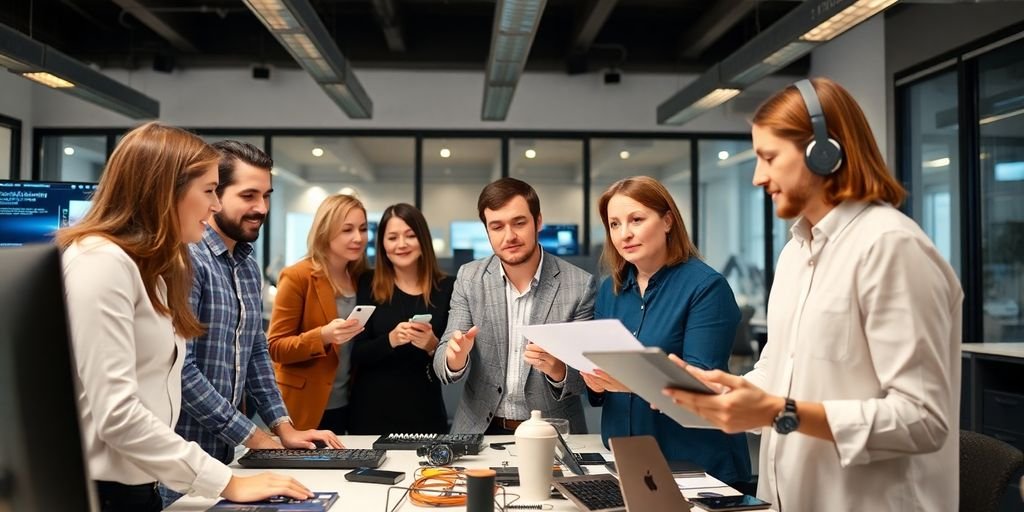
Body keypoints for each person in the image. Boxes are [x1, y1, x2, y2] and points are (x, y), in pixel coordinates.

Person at [663, 78, 963, 511]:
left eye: (768, 157)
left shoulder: (890, 247)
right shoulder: (795, 255)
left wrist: (778, 412)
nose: (757, 176)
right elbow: (778, 372)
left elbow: (923, 420)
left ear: (825, 152)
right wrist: (723, 392)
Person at [58, 122, 312, 512]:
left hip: (146, 481)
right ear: (165, 190)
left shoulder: (153, 271)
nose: (213, 206)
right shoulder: (100, 262)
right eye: (209, 191)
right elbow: (118, 415)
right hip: (104, 490)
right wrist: (227, 481)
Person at [161, 141, 341, 505]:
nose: (261, 208)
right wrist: (253, 436)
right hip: (182, 462)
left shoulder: (245, 264)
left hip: (230, 458)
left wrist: (282, 427)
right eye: (248, 195)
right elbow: (181, 369)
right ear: (215, 195)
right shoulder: (187, 261)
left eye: (266, 195)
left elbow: (257, 351)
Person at [581, 176, 751, 487]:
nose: (625, 234)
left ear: (668, 221)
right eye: (614, 224)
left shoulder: (706, 287)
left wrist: (629, 381)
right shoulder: (611, 290)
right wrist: (595, 380)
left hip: (696, 463)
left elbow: (701, 384)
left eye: (636, 220)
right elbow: (600, 389)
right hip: (627, 459)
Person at [433, 177, 597, 435]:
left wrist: (557, 368)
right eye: (497, 226)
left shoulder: (579, 285)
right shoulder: (469, 277)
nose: (509, 236)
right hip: (480, 428)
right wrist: (455, 358)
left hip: (553, 431)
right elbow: (442, 358)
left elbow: (588, 379)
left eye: (519, 223)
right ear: (487, 231)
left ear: (538, 221)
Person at [267, 193, 369, 432]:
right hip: (304, 405)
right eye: (347, 230)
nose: (358, 238)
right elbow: (275, 347)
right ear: (325, 231)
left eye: (363, 229)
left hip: (349, 403)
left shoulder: (361, 277)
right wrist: (323, 335)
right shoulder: (298, 276)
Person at [348, 203, 453, 434]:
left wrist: (433, 346)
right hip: (372, 411)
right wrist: (391, 340)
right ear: (383, 244)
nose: (401, 244)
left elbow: (455, 362)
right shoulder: (367, 283)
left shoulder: (447, 288)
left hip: (426, 409)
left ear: (423, 240)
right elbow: (356, 353)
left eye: (410, 236)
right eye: (392, 237)